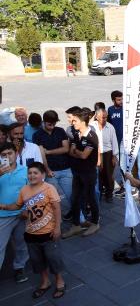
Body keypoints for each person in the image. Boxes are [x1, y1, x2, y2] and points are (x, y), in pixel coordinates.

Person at [0, 162, 66, 299]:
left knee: (54, 258)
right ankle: (45, 281)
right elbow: (17, 205)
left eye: (35, 173)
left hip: (49, 233)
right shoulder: (24, 190)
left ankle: (60, 281)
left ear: (42, 175)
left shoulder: (49, 188)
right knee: (37, 261)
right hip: (31, 234)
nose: (32, 175)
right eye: (29, 173)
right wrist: (4, 206)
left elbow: (57, 208)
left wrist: (58, 227)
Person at [62, 108, 100, 238]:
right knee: (75, 198)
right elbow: (72, 152)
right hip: (78, 171)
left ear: (83, 121)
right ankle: (76, 225)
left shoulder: (91, 136)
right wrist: (79, 153)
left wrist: (77, 153)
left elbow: (83, 155)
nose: (73, 123)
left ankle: (95, 222)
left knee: (90, 197)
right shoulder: (78, 134)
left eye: (75, 121)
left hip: (88, 173)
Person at [33, 110, 72, 217]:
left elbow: (66, 148)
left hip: (66, 168)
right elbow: (41, 154)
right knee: (53, 199)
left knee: (71, 195)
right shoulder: (37, 135)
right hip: (51, 172)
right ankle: (54, 219)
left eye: (54, 123)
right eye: (50, 124)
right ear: (44, 122)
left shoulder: (60, 130)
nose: (52, 126)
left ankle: (77, 216)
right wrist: (47, 170)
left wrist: (49, 151)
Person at [0, 142, 29, 284]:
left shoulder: (25, 171)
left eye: (9, 153)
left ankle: (20, 267)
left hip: (21, 214)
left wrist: (26, 210)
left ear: (16, 154)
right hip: (2, 216)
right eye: (3, 155)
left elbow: (32, 192)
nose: (7, 157)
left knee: (21, 243)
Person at [90, 109, 118, 203]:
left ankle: (109, 194)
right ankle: (100, 192)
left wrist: (114, 156)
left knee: (109, 175)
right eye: (102, 117)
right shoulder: (92, 126)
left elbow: (114, 142)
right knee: (98, 175)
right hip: (95, 153)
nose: (104, 119)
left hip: (107, 153)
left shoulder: (110, 127)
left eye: (106, 117)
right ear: (96, 117)